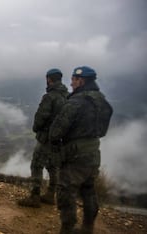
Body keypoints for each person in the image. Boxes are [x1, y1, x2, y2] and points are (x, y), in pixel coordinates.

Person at [49, 66, 113, 234]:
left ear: (81, 81)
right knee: (88, 190)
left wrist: (57, 142)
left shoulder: (75, 102)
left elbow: (56, 131)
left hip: (74, 156)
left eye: (74, 79)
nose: (71, 82)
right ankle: (87, 227)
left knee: (66, 192)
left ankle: (67, 229)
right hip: (93, 153)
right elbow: (103, 130)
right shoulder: (101, 100)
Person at [18, 68, 68, 208]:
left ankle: (34, 196)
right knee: (53, 166)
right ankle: (51, 194)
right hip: (60, 139)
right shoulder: (67, 96)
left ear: (48, 79)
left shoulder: (49, 97)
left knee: (37, 165)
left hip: (46, 137)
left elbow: (41, 117)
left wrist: (36, 128)